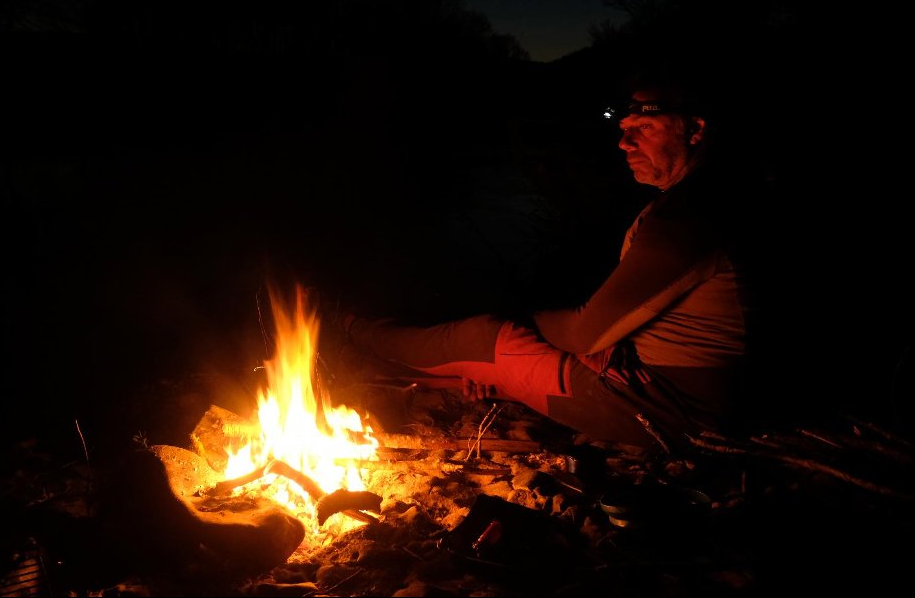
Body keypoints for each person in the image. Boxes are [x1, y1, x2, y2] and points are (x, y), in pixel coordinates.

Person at [326, 71, 774, 450]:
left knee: (488, 336)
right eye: (623, 127)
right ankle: (391, 361)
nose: (624, 142)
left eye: (644, 128)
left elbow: (584, 333)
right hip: (699, 391)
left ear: (695, 130)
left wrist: (516, 320)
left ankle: (351, 329)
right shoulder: (732, 195)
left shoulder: (686, 216)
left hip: (670, 407)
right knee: (491, 356)